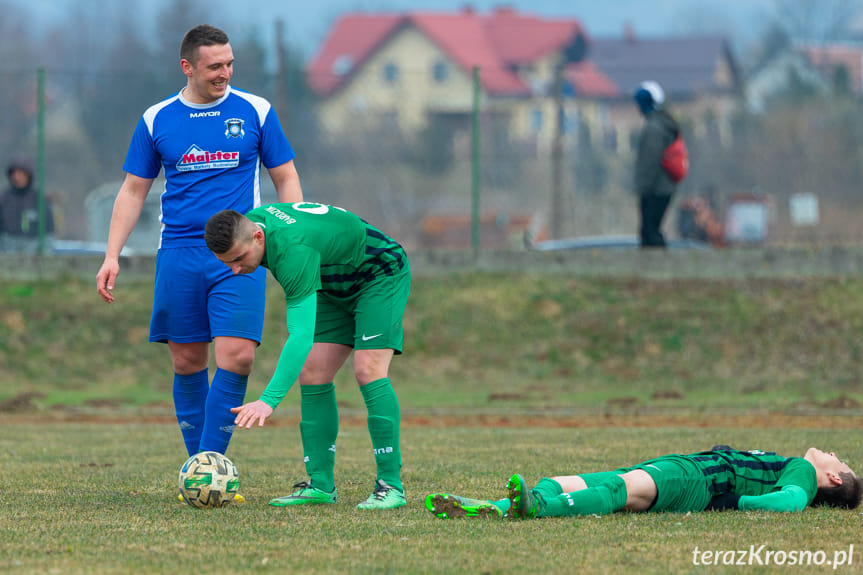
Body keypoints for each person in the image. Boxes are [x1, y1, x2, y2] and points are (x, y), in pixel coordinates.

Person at [95, 24, 303, 478]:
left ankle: (210, 467)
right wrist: (112, 254)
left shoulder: (256, 111)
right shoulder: (157, 119)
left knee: (239, 356)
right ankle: (199, 466)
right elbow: (133, 191)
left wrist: (291, 233)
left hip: (240, 253)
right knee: (187, 360)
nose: (225, 73)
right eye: (214, 66)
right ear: (187, 67)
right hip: (180, 253)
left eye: (229, 64)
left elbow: (285, 177)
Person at [204, 203, 410, 510]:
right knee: (313, 372)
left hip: (377, 273)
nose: (235, 269)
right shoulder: (249, 225)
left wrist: (268, 400)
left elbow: (299, 337)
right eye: (226, 263)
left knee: (368, 369)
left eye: (239, 259)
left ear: (258, 237)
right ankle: (321, 485)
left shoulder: (292, 251)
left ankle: (391, 486)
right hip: (331, 280)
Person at [425, 445, 862, 520]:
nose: (832, 452)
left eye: (839, 460)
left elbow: (788, 504)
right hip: (689, 473)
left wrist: (731, 504)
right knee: (568, 481)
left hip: (695, 479)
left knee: (621, 491)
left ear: (835, 477)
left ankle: (533, 508)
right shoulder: (795, 468)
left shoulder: (803, 474)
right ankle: (495, 507)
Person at [634, 81, 679, 248]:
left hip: (654, 188)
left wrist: (643, 186)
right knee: (652, 230)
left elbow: (650, 161)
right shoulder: (664, 124)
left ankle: (656, 264)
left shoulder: (654, 127)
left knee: (650, 232)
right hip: (665, 186)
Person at [0, 156, 54, 252]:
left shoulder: (39, 199)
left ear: (28, 175)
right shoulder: (3, 199)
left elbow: (48, 231)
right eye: (15, 174)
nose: (17, 177)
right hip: (7, 250)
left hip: (33, 252)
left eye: (21, 174)